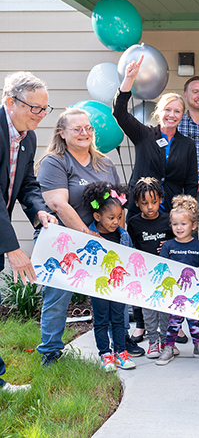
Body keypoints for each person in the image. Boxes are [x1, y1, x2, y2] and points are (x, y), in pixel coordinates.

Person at [36, 108, 146, 363]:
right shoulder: (55, 161)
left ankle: (121, 340)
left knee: (114, 293)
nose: (84, 133)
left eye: (88, 128)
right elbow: (58, 205)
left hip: (104, 240)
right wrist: (88, 236)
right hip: (65, 240)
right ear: (62, 133)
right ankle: (51, 350)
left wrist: (119, 233)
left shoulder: (105, 162)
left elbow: (117, 202)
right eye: (77, 129)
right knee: (58, 295)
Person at [0, 71, 55, 389]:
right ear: (11, 102)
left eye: (45, 109)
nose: (41, 115)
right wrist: (12, 247)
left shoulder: (28, 138)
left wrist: (40, 213)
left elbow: (27, 185)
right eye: (35, 108)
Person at [113, 57, 198, 216]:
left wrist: (186, 212)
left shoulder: (187, 145)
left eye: (177, 111)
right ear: (159, 112)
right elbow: (120, 113)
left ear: (182, 115)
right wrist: (129, 79)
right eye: (167, 110)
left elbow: (191, 184)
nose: (171, 115)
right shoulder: (144, 135)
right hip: (140, 211)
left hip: (172, 214)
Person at [82, 181, 137, 371]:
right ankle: (105, 354)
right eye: (111, 217)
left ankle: (120, 352)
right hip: (98, 286)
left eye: (119, 217)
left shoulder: (124, 236)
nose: (116, 221)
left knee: (119, 319)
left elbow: (130, 258)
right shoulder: (90, 236)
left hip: (118, 285)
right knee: (101, 319)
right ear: (97, 216)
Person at [156, 195, 199, 365]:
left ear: (193, 225)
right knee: (174, 321)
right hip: (175, 293)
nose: (179, 227)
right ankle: (169, 348)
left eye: (183, 224)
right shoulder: (168, 246)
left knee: (194, 321)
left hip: (193, 291)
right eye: (175, 224)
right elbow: (162, 266)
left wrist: (192, 271)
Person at [127, 177, 173, 358]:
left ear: (161, 199)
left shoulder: (169, 220)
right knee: (149, 310)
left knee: (166, 310)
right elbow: (131, 247)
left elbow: (180, 239)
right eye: (144, 203)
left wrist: (169, 245)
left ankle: (167, 342)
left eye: (154, 202)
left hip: (166, 273)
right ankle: (153, 342)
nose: (150, 207)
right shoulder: (133, 223)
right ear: (137, 203)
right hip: (145, 274)